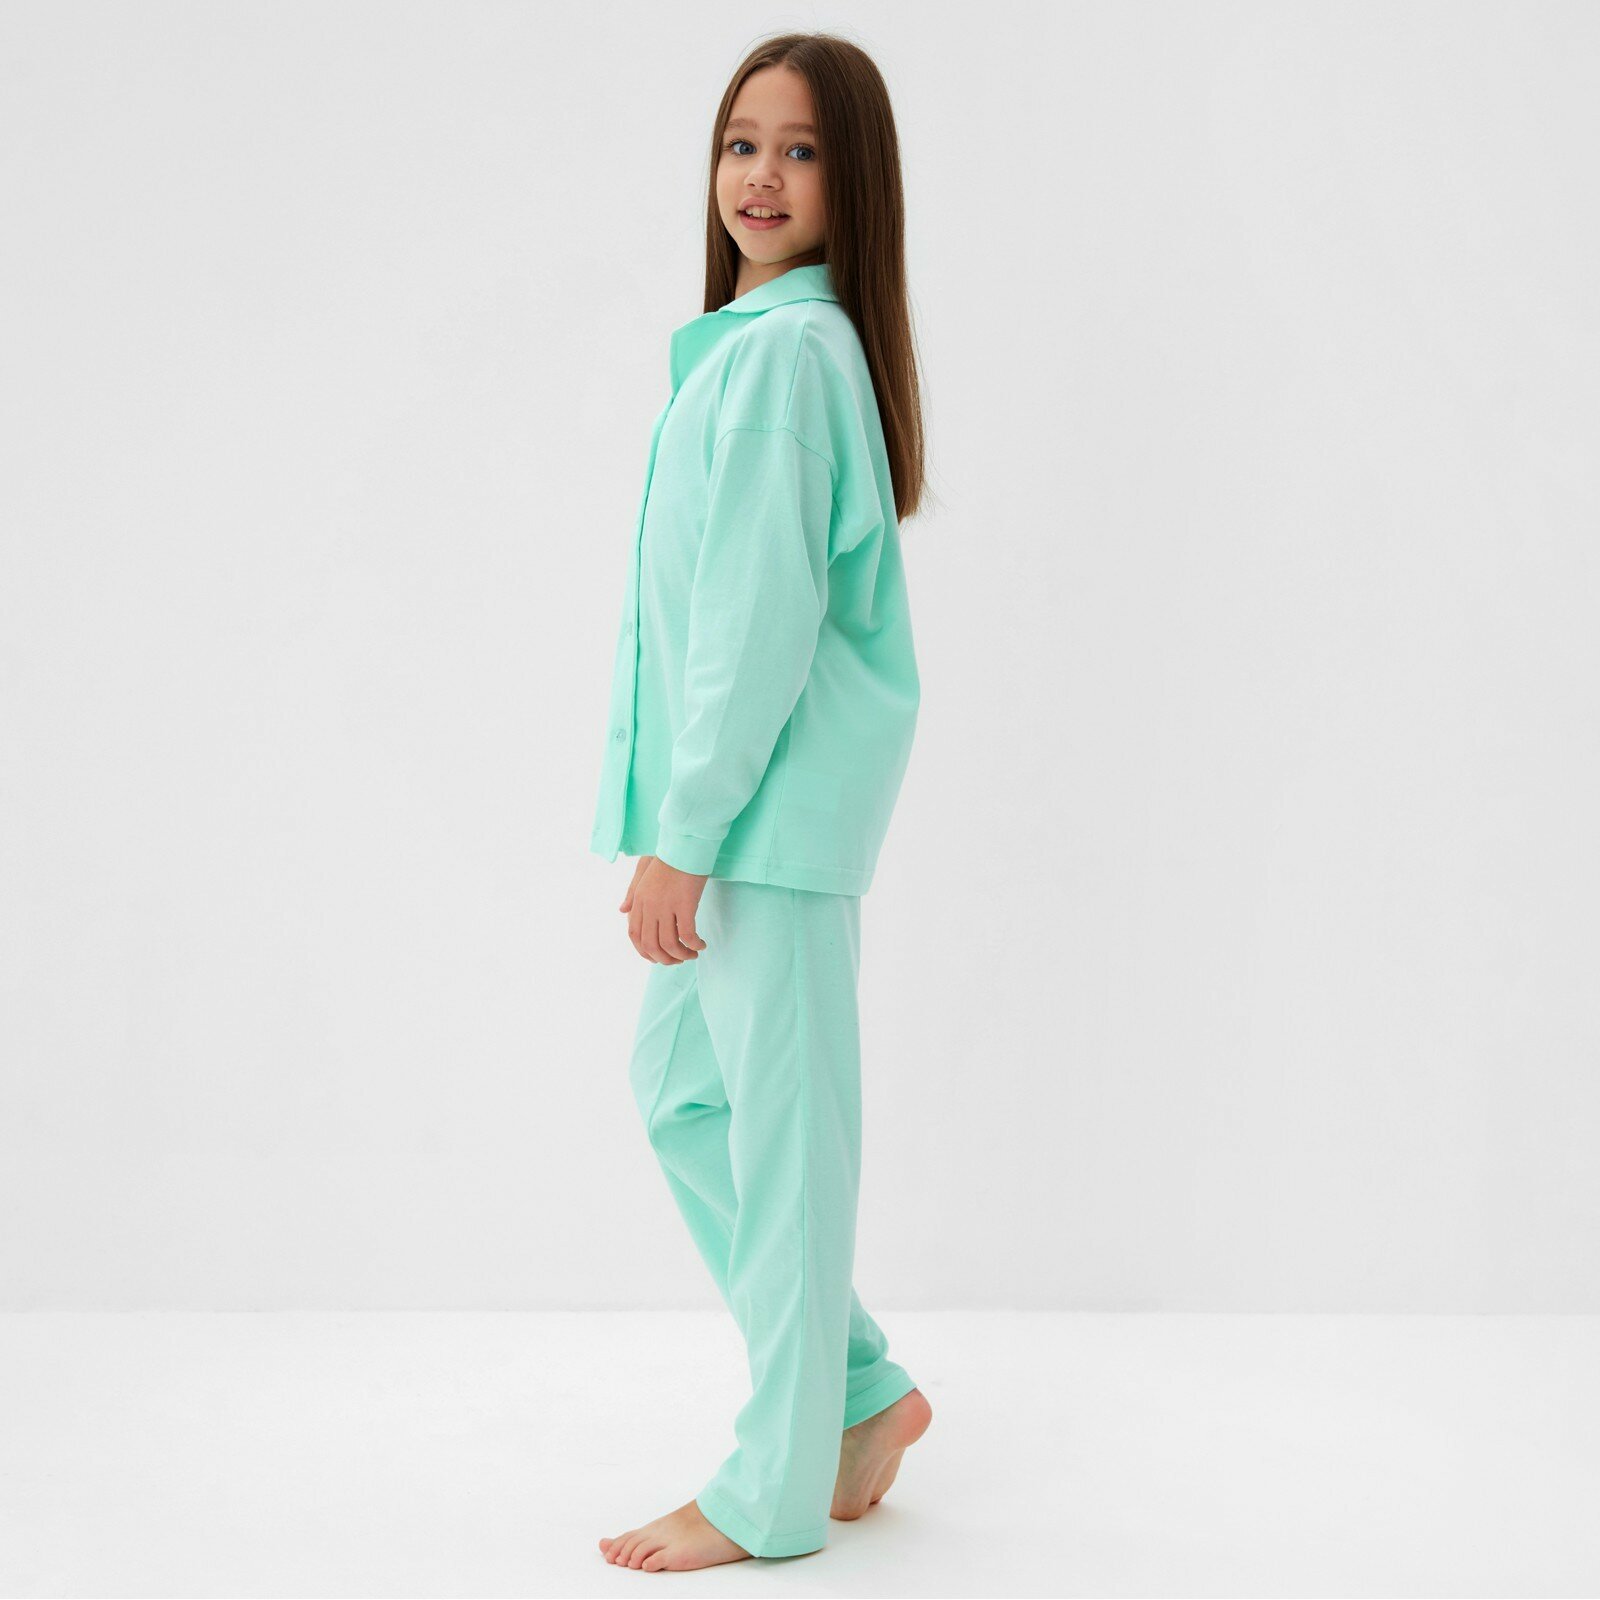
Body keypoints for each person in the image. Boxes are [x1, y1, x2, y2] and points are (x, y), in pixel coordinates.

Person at [588, 31, 933, 1573]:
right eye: (742, 143)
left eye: (800, 150)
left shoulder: (790, 361)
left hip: (766, 831)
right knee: (684, 1096)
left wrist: (684, 839)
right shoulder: (749, 352)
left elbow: (754, 628)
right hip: (744, 824)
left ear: (854, 183)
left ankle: (773, 1491)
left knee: (785, 1157)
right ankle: (856, 1394)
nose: (762, 176)